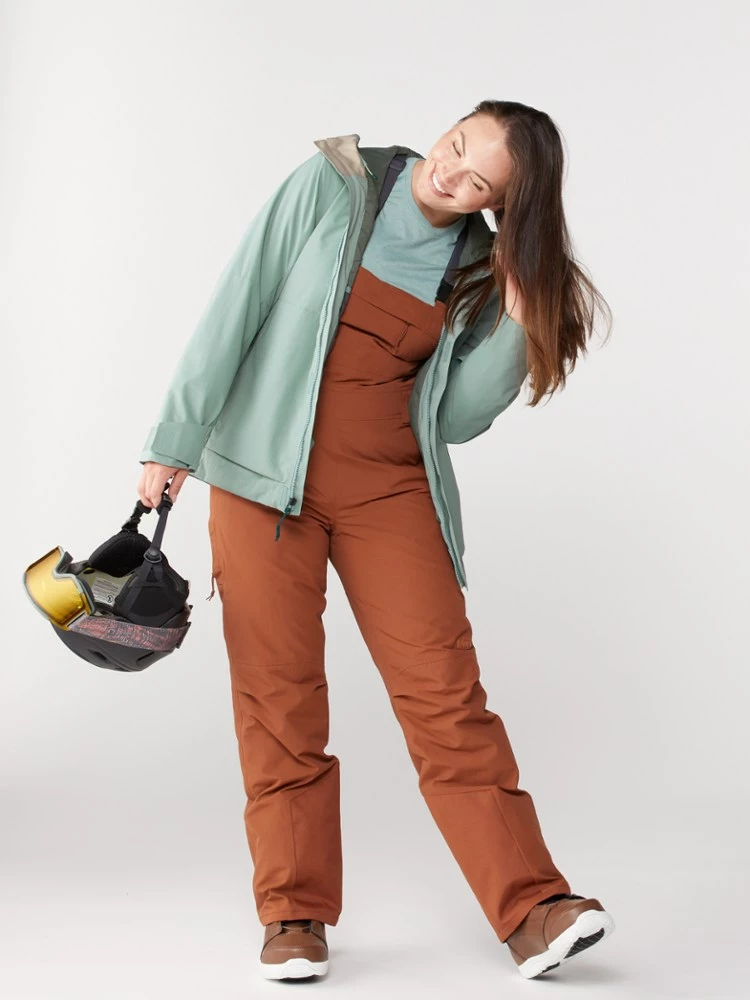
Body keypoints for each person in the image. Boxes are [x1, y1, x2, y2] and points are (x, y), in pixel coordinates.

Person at [137, 100, 615, 982]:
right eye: (458, 145)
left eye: (480, 184)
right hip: (258, 477)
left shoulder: (479, 268)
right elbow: (236, 305)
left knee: (445, 696)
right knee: (278, 699)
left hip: (390, 489)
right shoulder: (334, 184)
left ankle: (535, 908)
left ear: (500, 206)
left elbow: (457, 418)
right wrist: (174, 441)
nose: (452, 174)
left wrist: (517, 318)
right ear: (452, 123)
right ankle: (293, 913)